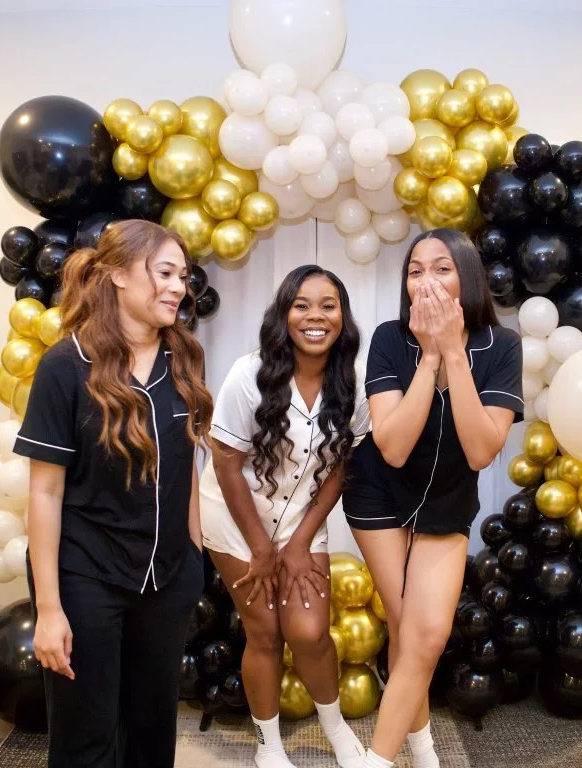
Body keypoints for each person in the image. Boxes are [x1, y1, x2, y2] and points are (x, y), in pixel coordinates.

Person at [14, 220, 213, 767]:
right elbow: (44, 493)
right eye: (164, 273)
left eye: (183, 277)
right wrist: (49, 610)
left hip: (167, 580)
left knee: (153, 734)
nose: (178, 288)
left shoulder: (184, 359)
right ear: (120, 274)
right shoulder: (64, 366)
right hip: (87, 578)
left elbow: (186, 465)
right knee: (86, 739)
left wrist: (193, 556)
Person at [343, 229, 524, 768]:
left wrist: (454, 353)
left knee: (427, 636)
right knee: (406, 628)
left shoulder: (502, 346)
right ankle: (413, 754)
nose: (426, 281)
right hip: (378, 490)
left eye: (441, 268)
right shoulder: (389, 338)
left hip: (448, 496)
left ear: (467, 277)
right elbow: (394, 448)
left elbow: (480, 451)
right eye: (415, 270)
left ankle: (401, 753)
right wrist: (428, 357)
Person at [200, 265, 370, 768]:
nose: (315, 316)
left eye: (328, 305)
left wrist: (298, 544)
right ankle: (268, 746)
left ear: (342, 316)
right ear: (283, 314)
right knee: (266, 632)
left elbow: (343, 467)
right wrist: (261, 549)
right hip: (235, 518)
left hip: (301, 518)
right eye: (301, 305)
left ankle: (336, 729)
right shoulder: (248, 374)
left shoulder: (355, 381)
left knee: (311, 632)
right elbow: (226, 463)